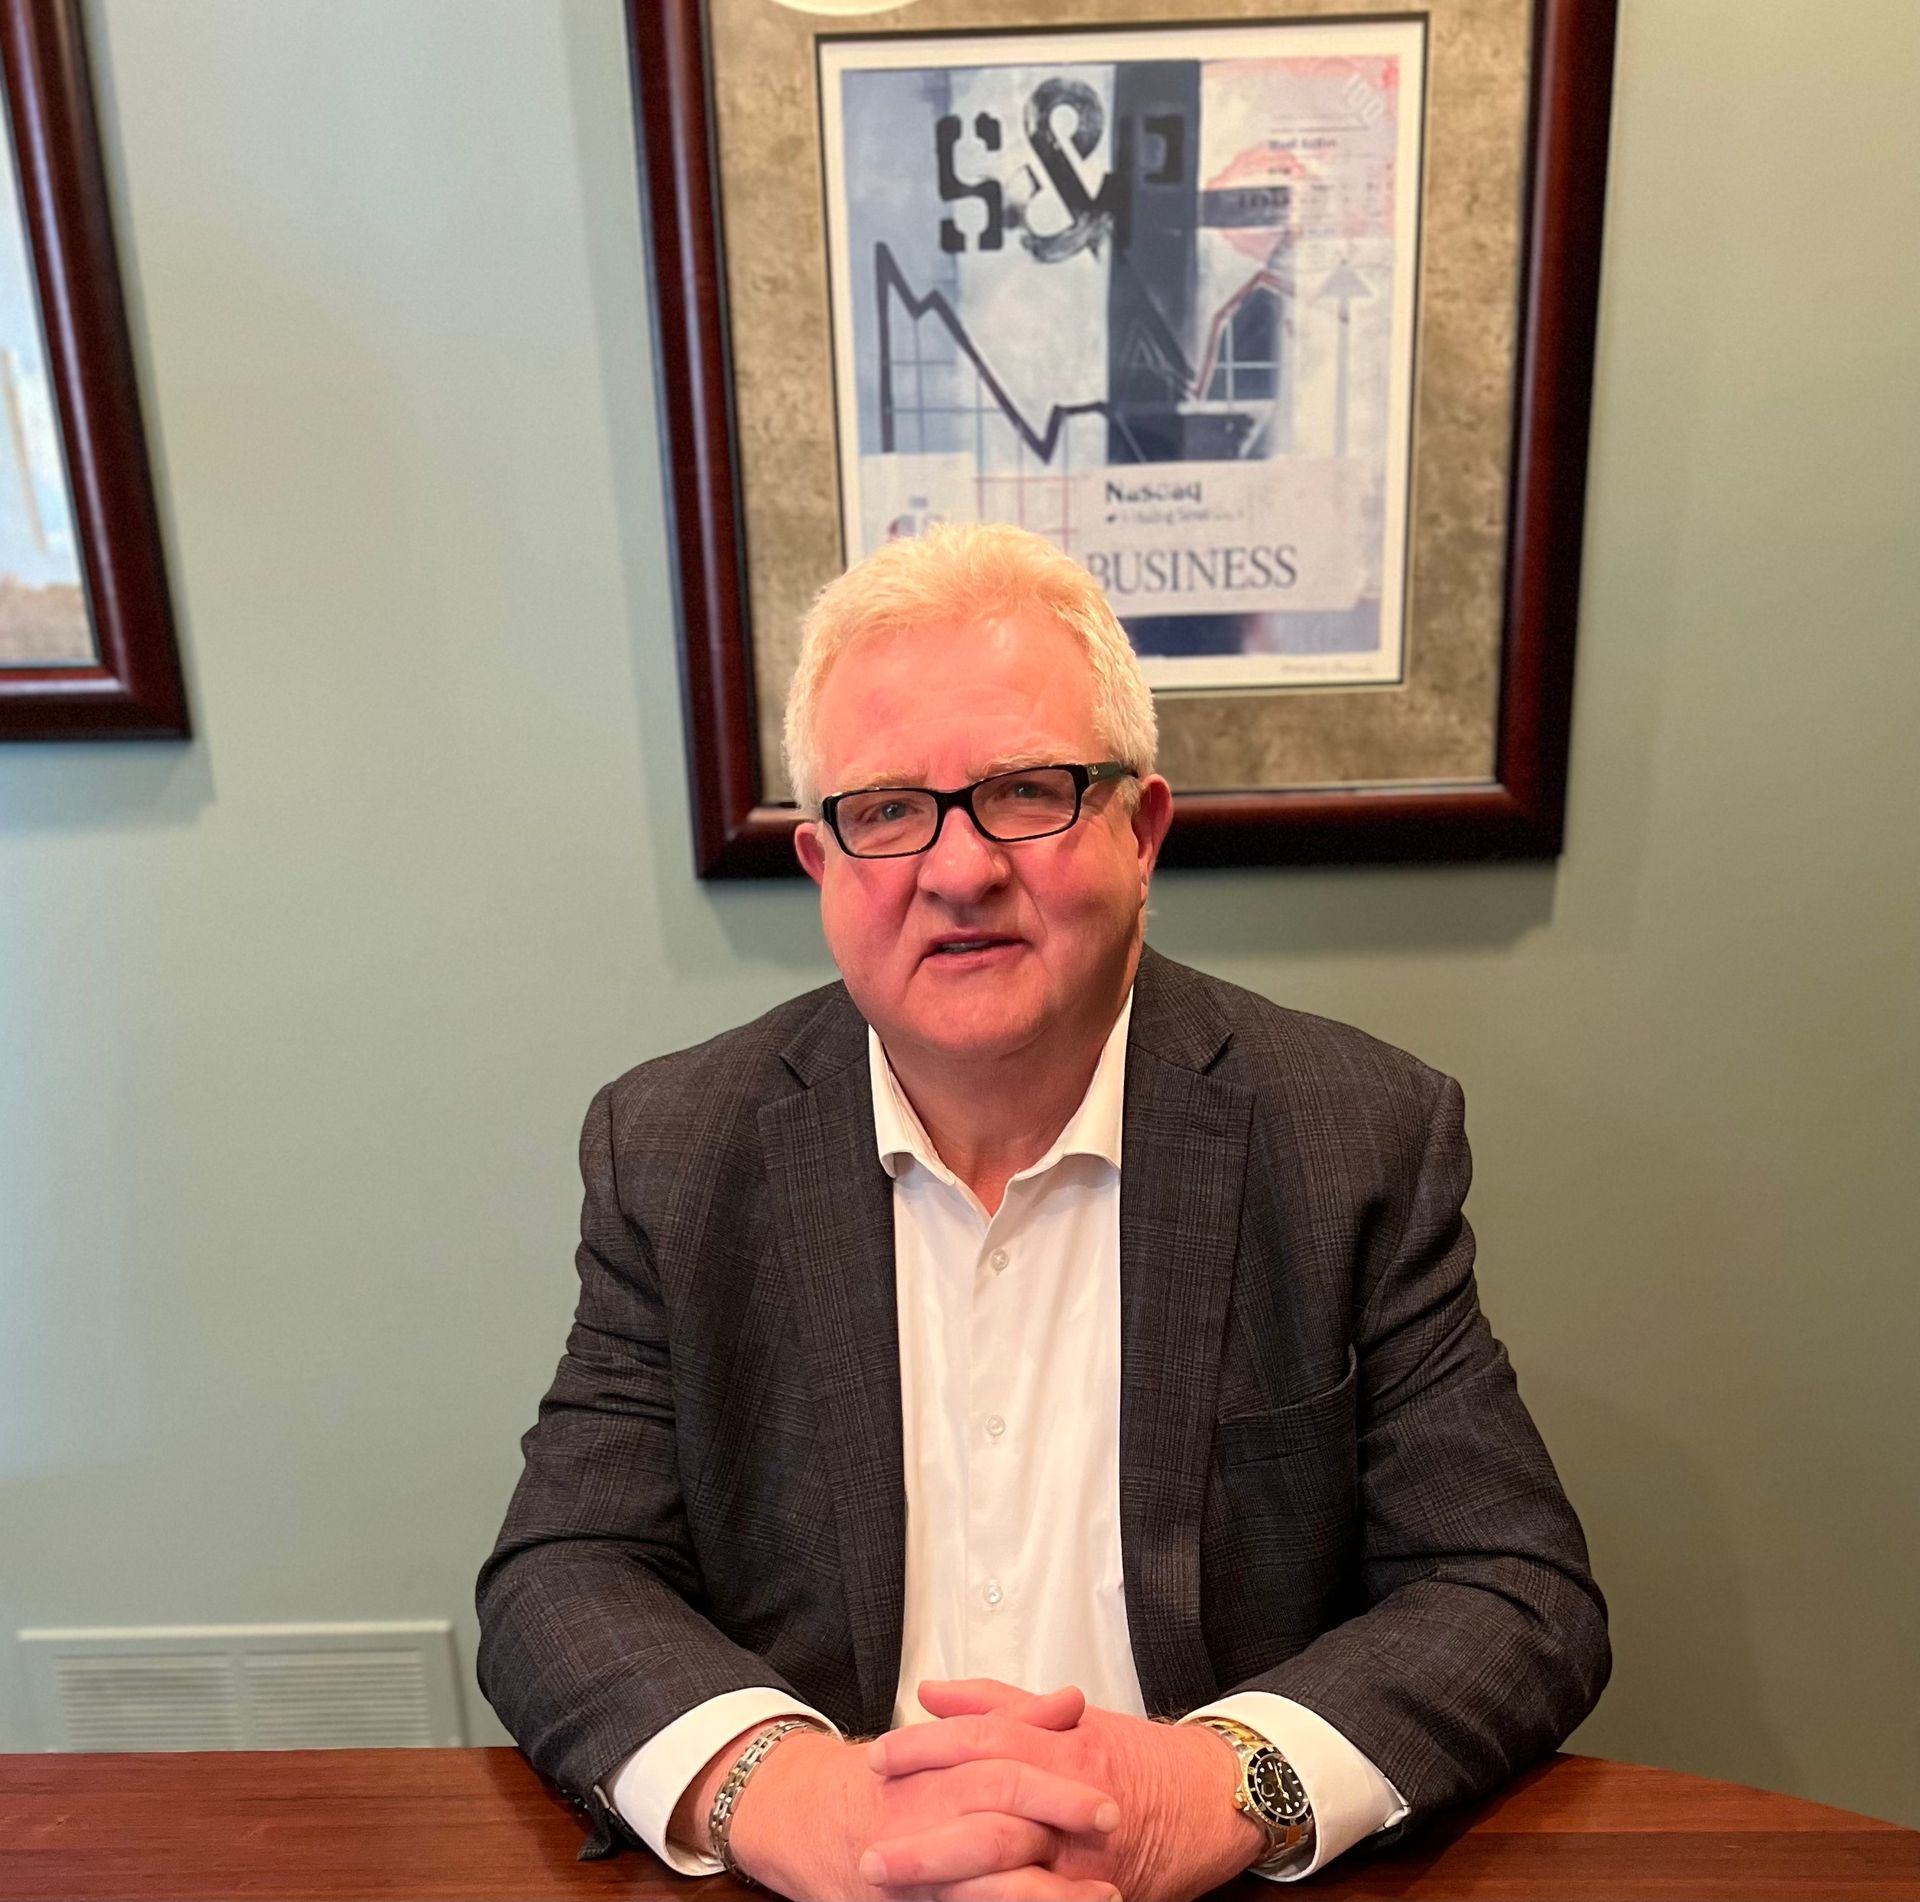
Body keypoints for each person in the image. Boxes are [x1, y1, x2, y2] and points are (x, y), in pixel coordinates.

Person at [476, 522, 1609, 1901]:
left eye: (1027, 790)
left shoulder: (1356, 1135)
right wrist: (786, 1793)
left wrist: (1216, 1787)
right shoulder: (673, 1150)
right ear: (823, 865)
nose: (958, 870)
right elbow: (564, 1572)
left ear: (1143, 830)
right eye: (886, 809)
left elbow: (1507, 1585)